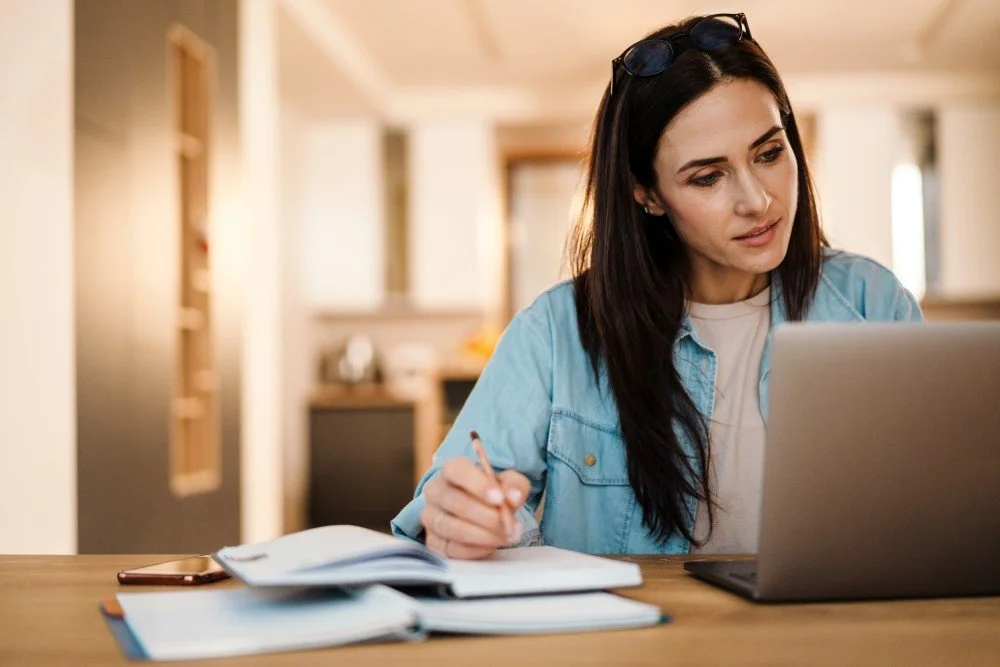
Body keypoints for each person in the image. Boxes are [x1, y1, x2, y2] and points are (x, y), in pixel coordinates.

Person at [391, 13, 922, 558]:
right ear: (647, 194)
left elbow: (933, 503)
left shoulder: (871, 303)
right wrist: (461, 520)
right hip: (629, 641)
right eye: (708, 177)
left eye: (768, 153)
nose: (758, 200)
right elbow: (443, 516)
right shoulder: (556, 331)